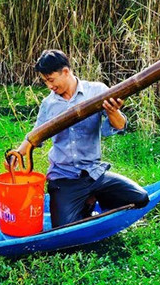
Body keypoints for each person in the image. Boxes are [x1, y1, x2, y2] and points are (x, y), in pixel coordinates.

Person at [14, 49, 149, 227]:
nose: (49, 86)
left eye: (51, 80)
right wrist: (18, 153)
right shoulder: (49, 104)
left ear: (66, 72)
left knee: (140, 198)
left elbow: (118, 127)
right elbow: (35, 137)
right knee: (64, 230)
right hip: (64, 178)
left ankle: (95, 197)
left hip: (94, 173)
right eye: (45, 81)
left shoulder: (98, 91)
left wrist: (113, 111)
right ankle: (86, 203)